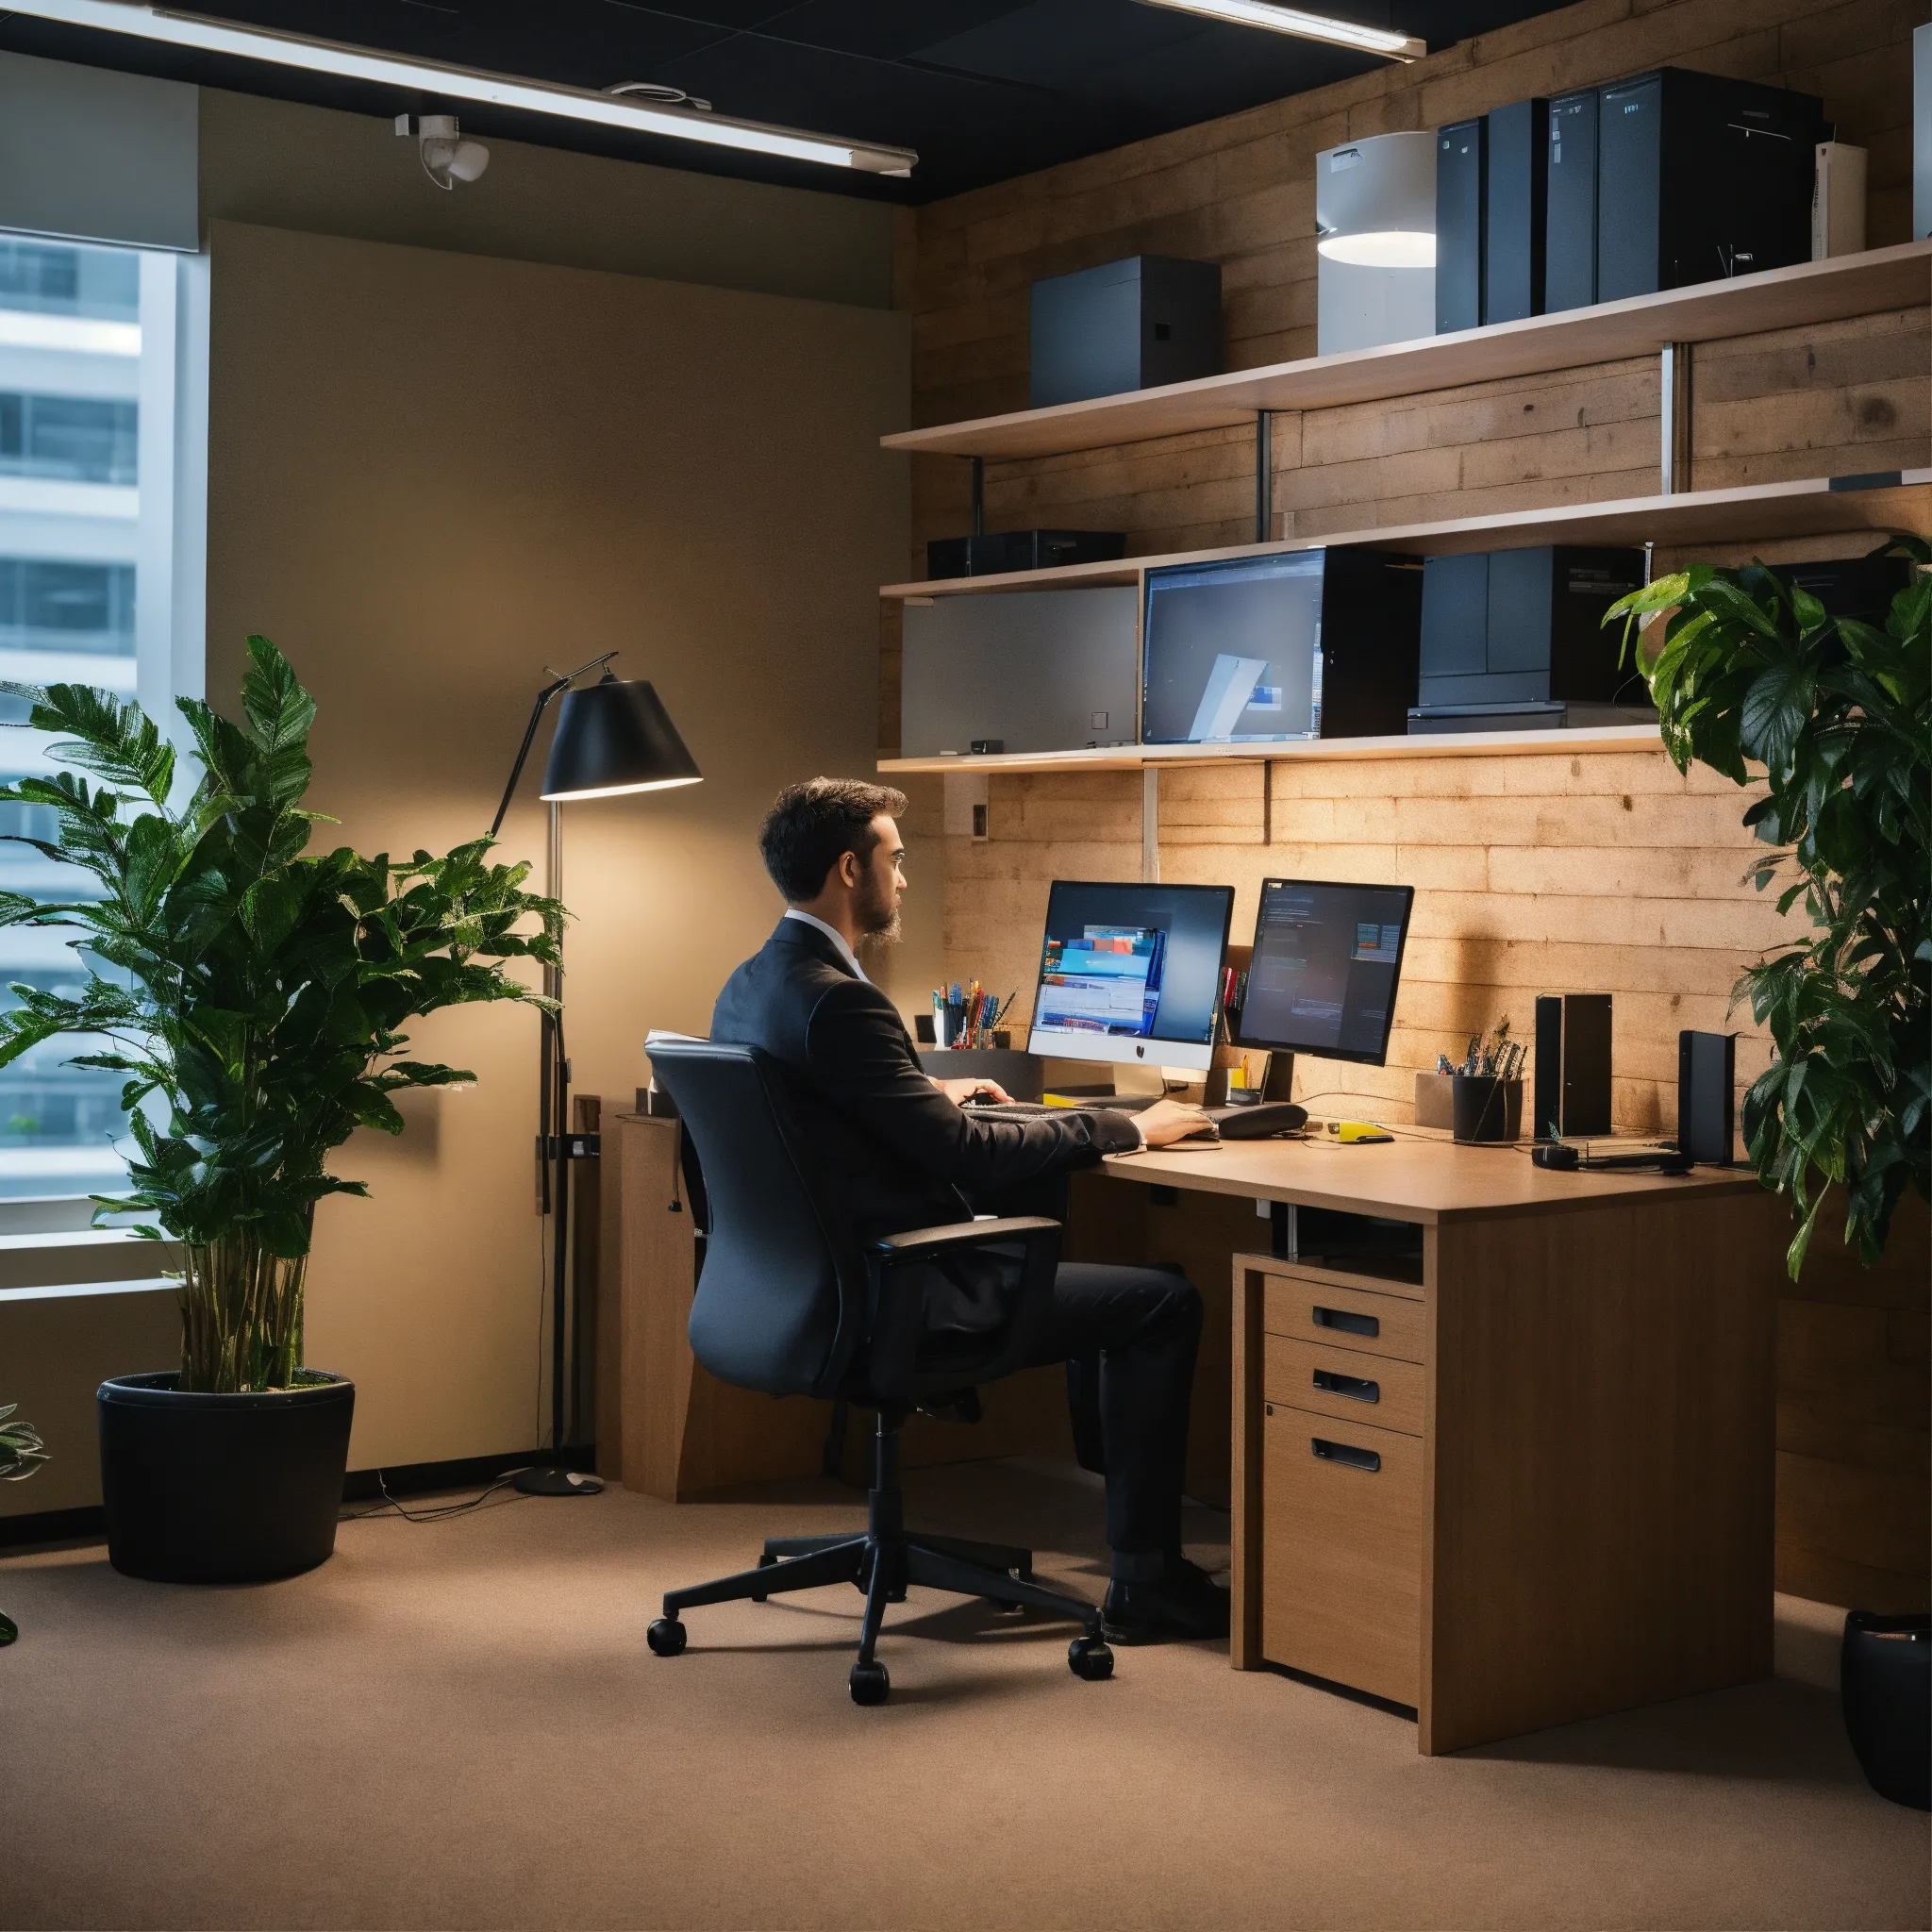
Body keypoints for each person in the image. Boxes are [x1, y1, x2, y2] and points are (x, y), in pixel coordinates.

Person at [711, 776, 1228, 1643]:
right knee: (1160, 1301)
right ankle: (1147, 1582)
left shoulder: (756, 981)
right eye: (896, 859)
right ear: (850, 869)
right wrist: (1125, 1128)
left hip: (793, 1293)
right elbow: (970, 1159)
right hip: (893, 1294)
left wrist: (923, 1091)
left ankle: (1133, 1551)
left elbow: (823, 1109)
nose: (905, 879)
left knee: (1100, 1260)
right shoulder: (843, 1000)